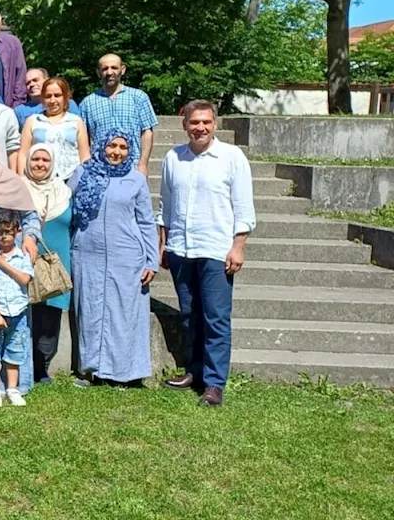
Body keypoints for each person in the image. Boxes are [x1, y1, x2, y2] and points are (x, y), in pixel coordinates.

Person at [159, 100, 256, 407]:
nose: (200, 127)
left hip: (216, 249)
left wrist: (238, 246)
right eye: (194, 122)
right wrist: (164, 244)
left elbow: (243, 207)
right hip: (181, 249)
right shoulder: (174, 158)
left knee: (215, 318)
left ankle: (214, 383)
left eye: (206, 122)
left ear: (215, 124)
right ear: (184, 124)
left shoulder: (231, 157)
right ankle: (194, 370)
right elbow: (166, 207)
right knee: (189, 315)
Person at [69, 134, 158, 388]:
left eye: (123, 147)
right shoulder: (83, 173)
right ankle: (91, 370)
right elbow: (63, 204)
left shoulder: (136, 180)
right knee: (91, 311)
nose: (116, 152)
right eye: (111, 145)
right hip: (88, 253)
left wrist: (151, 260)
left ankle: (124, 373)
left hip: (126, 256)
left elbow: (145, 221)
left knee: (124, 314)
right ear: (101, 146)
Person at [21, 144, 73, 384]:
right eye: (35, 159)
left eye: (45, 160)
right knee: (25, 311)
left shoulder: (64, 191)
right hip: (25, 259)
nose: (40, 164)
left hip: (56, 260)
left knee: (50, 313)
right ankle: (22, 363)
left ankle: (42, 367)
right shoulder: (18, 189)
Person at [0, 210, 35, 407]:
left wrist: (3, 265)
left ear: (17, 232)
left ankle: (13, 388)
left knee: (15, 351)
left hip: (18, 312)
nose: (4, 236)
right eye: (0, 231)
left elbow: (24, 279)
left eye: (8, 232)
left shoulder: (22, 256)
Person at [81, 53, 158, 174]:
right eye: (105, 69)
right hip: (100, 169)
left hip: (132, 167)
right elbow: (83, 138)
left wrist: (143, 165)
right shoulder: (87, 103)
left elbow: (147, 132)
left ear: (122, 70)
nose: (109, 72)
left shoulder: (138, 97)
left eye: (114, 68)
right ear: (98, 72)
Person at [19, 77, 90, 182]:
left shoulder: (76, 121)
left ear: (65, 97)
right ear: (43, 99)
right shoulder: (32, 121)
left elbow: (84, 156)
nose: (52, 100)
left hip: (71, 179)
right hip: (39, 181)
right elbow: (23, 154)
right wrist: (22, 180)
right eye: (48, 96)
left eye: (57, 95)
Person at [15, 68, 81, 128]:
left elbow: (79, 129)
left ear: (47, 80)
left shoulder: (67, 103)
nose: (31, 84)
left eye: (35, 80)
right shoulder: (19, 111)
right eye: (28, 83)